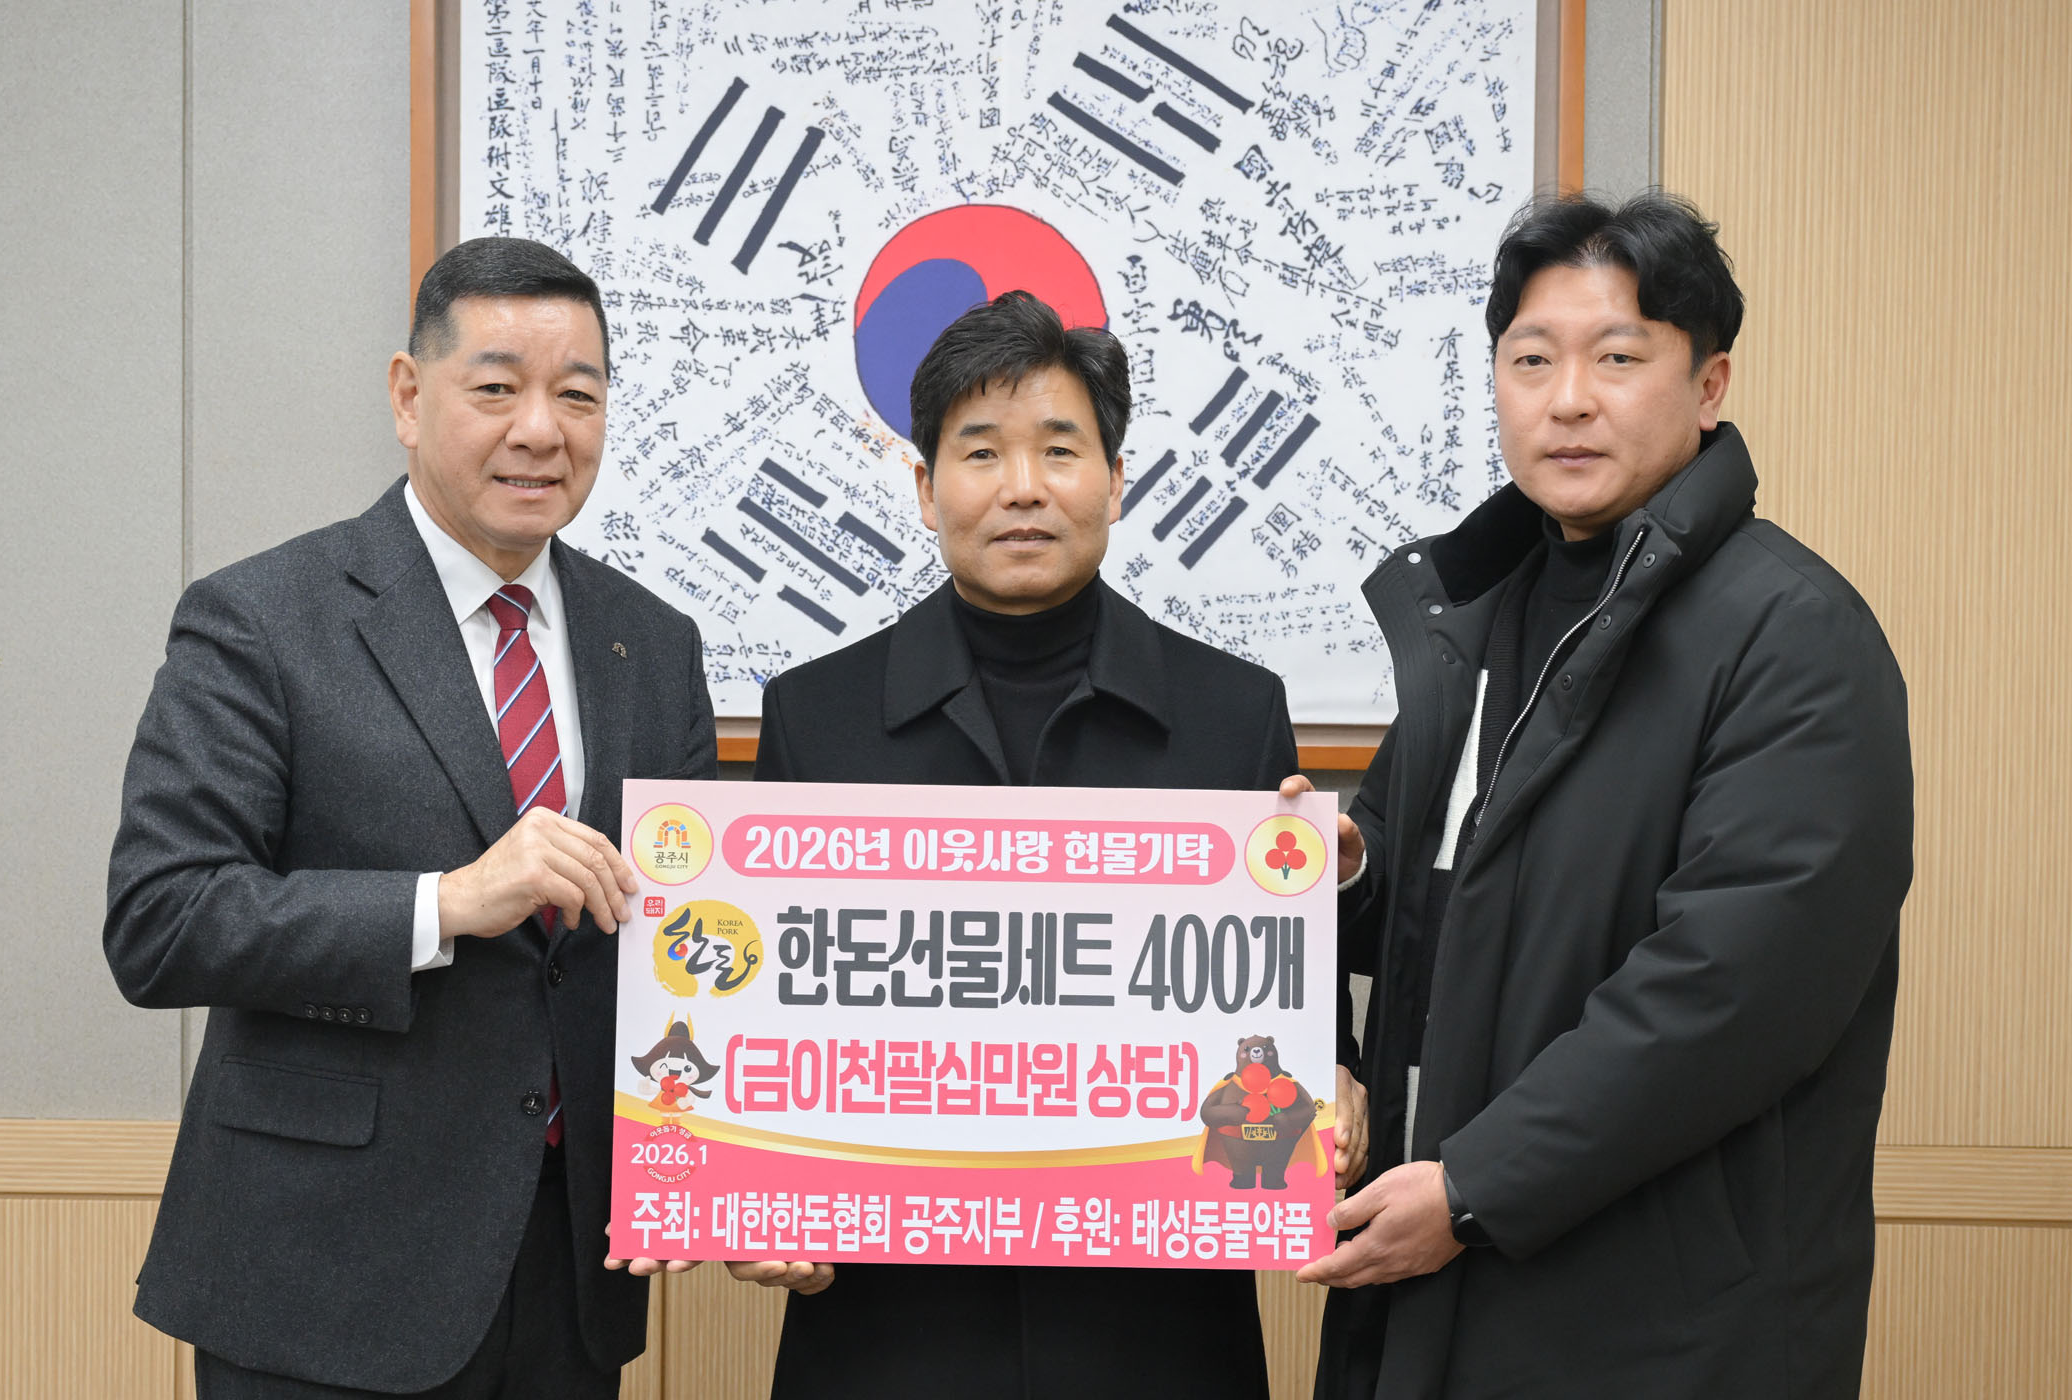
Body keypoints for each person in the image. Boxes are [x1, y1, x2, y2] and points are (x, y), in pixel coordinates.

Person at [1301, 192, 1913, 1398]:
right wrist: (1346, 870)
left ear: (1710, 384)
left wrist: (1474, 1187)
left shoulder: (1794, 634)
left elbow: (1731, 991)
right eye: (1531, 359)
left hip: (1660, 1320)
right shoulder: (1477, 622)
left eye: (1618, 358)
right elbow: (1437, 907)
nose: (1568, 398)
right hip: (1438, 1277)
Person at [104, 237, 717, 1397]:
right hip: (322, 1271)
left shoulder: (653, 642)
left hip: (569, 1275)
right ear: (407, 394)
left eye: (577, 395)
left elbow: (689, 943)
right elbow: (162, 918)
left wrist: (724, 1169)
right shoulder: (262, 618)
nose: (540, 429)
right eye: (496, 387)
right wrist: (447, 902)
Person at [739, 289, 1366, 1399]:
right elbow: (760, 1025)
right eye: (981, 451)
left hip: (1156, 1337)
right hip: (891, 1337)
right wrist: (751, 1197)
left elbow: (1293, 1024)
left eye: (1061, 450)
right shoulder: (814, 715)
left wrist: (1335, 1091)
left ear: (1116, 481)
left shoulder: (1235, 714)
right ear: (926, 488)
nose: (1023, 486)